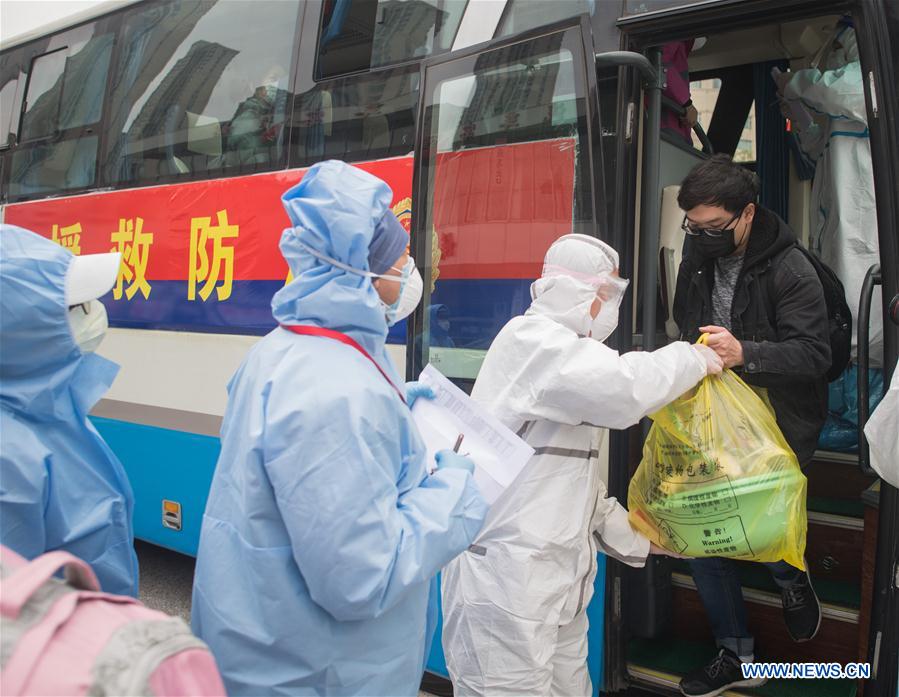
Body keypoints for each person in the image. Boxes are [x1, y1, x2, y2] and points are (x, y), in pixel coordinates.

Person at [190, 160, 488, 696]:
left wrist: (392, 408)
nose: (411, 273)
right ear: (360, 273)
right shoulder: (341, 394)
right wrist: (453, 493)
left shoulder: (286, 349)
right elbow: (359, 578)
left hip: (266, 646)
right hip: (314, 672)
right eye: (402, 261)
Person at [441, 233, 724, 696]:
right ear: (577, 292)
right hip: (507, 586)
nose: (609, 308)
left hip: (557, 585)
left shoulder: (568, 361)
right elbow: (626, 390)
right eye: (606, 294)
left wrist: (648, 539)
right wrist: (694, 357)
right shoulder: (532, 341)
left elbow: (577, 491)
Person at [672, 155, 831, 697]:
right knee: (702, 533)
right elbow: (682, 317)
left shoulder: (791, 268)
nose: (703, 237)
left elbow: (815, 354)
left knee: (764, 525)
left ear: (747, 215)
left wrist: (747, 353)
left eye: (715, 228)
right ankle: (735, 651)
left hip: (779, 420)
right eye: (695, 227)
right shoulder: (696, 255)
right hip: (715, 416)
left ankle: (791, 578)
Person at [0, 225, 138, 598]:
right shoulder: (10, 453)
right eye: (75, 306)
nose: (94, 313)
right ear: (20, 329)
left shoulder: (54, 414)